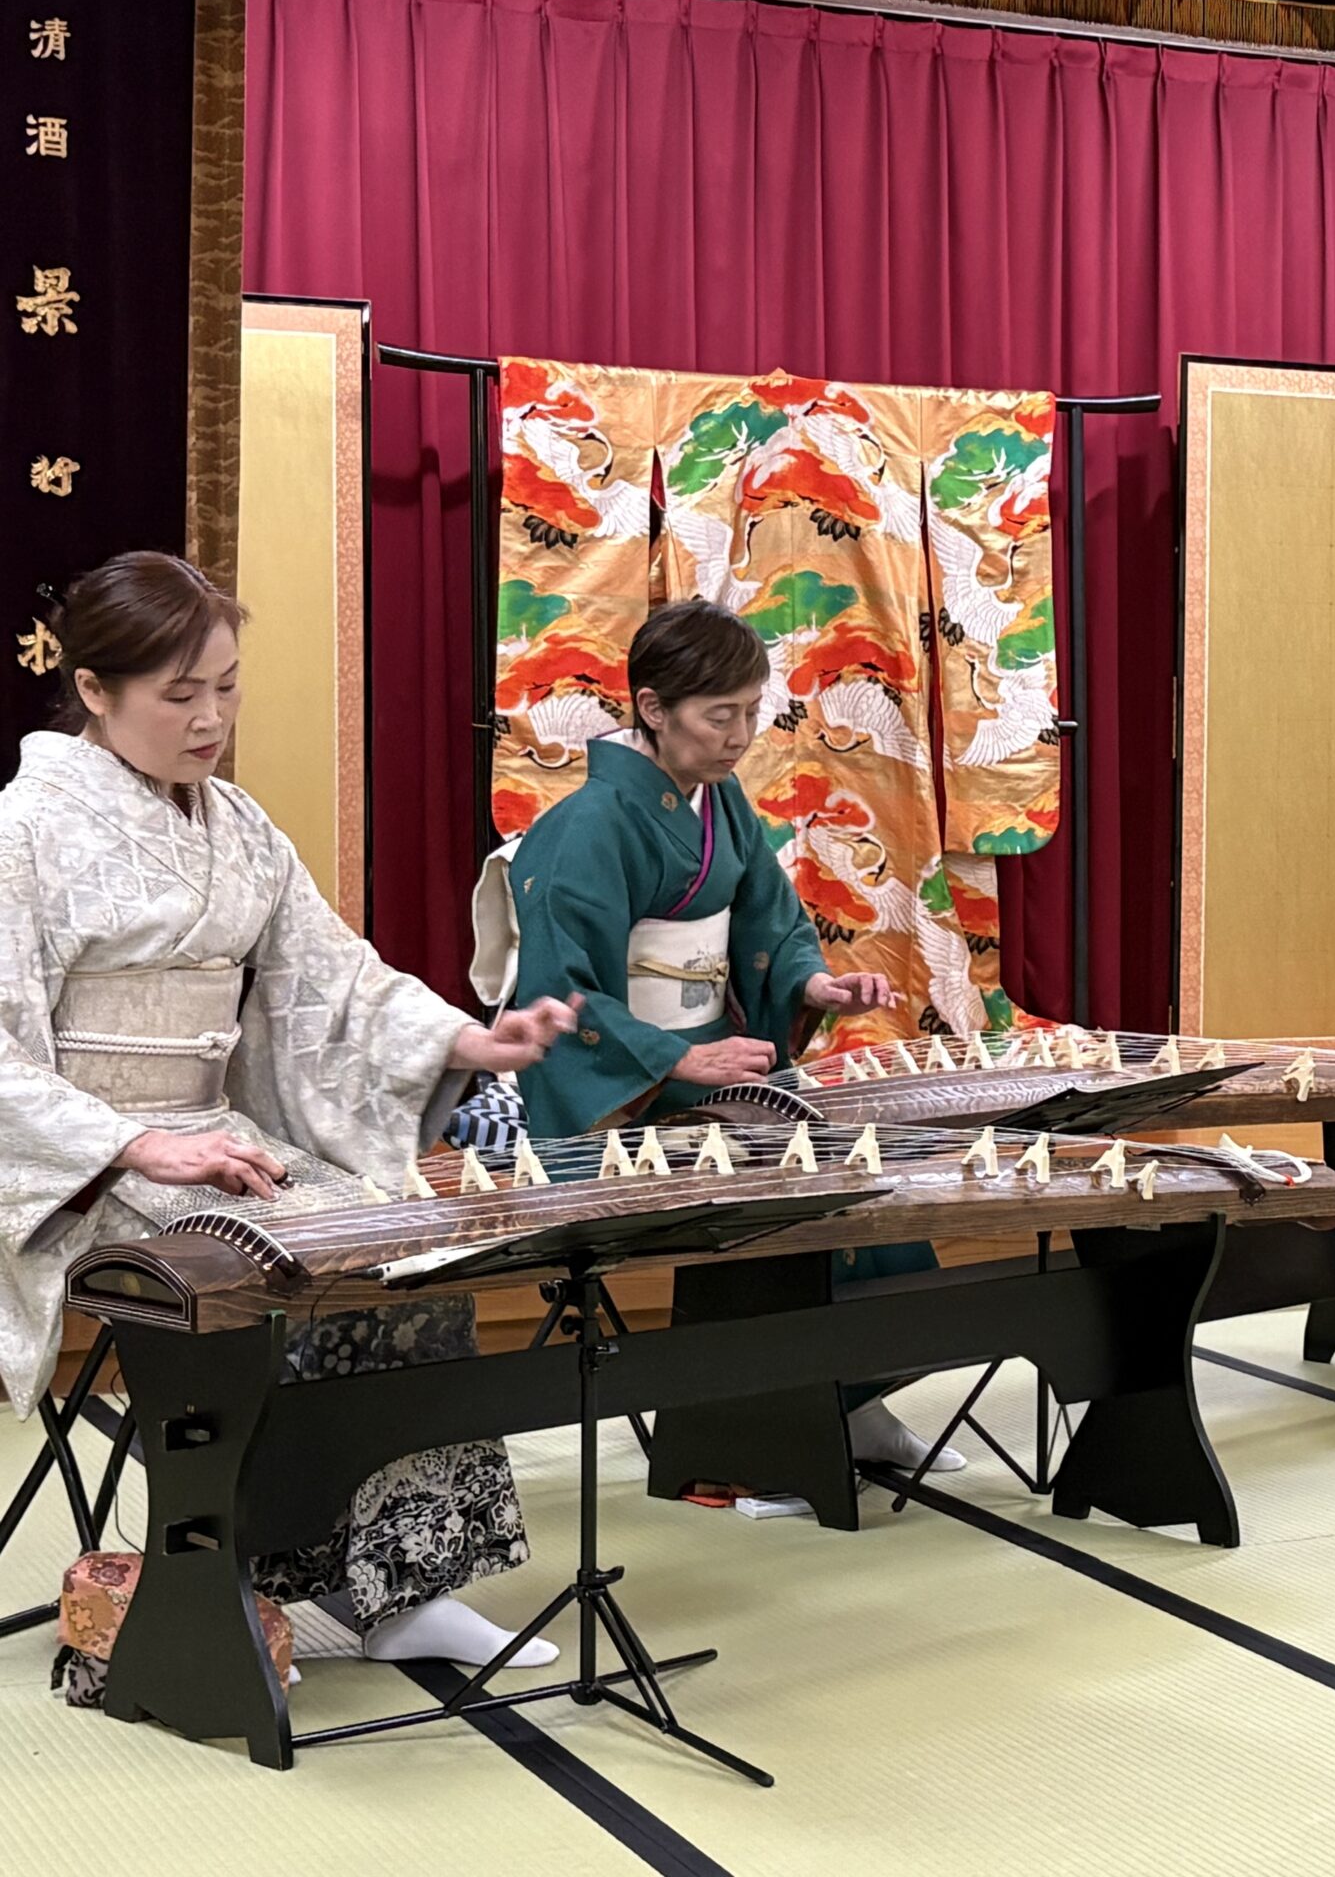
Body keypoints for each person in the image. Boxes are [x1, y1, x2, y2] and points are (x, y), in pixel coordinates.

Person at [0, 552, 580, 1672]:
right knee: (280, 1269)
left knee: (405, 1250)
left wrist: (467, 1039)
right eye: (179, 694)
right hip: (94, 1165)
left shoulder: (239, 824)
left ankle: (409, 1587)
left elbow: (334, 975)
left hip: (217, 1144)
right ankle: (237, 1578)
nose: (211, 719)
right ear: (93, 690)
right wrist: (135, 1143)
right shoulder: (22, 831)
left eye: (226, 686)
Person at [492, 599, 960, 1474]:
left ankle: (850, 1402)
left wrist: (813, 984)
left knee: (855, 1162)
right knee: (780, 1174)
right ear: (652, 707)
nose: (740, 736)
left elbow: (768, 919)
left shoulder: (723, 801)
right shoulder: (586, 825)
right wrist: (677, 1057)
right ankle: (750, 1439)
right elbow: (560, 994)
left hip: (714, 1062)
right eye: (720, 716)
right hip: (628, 1083)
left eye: (751, 712)